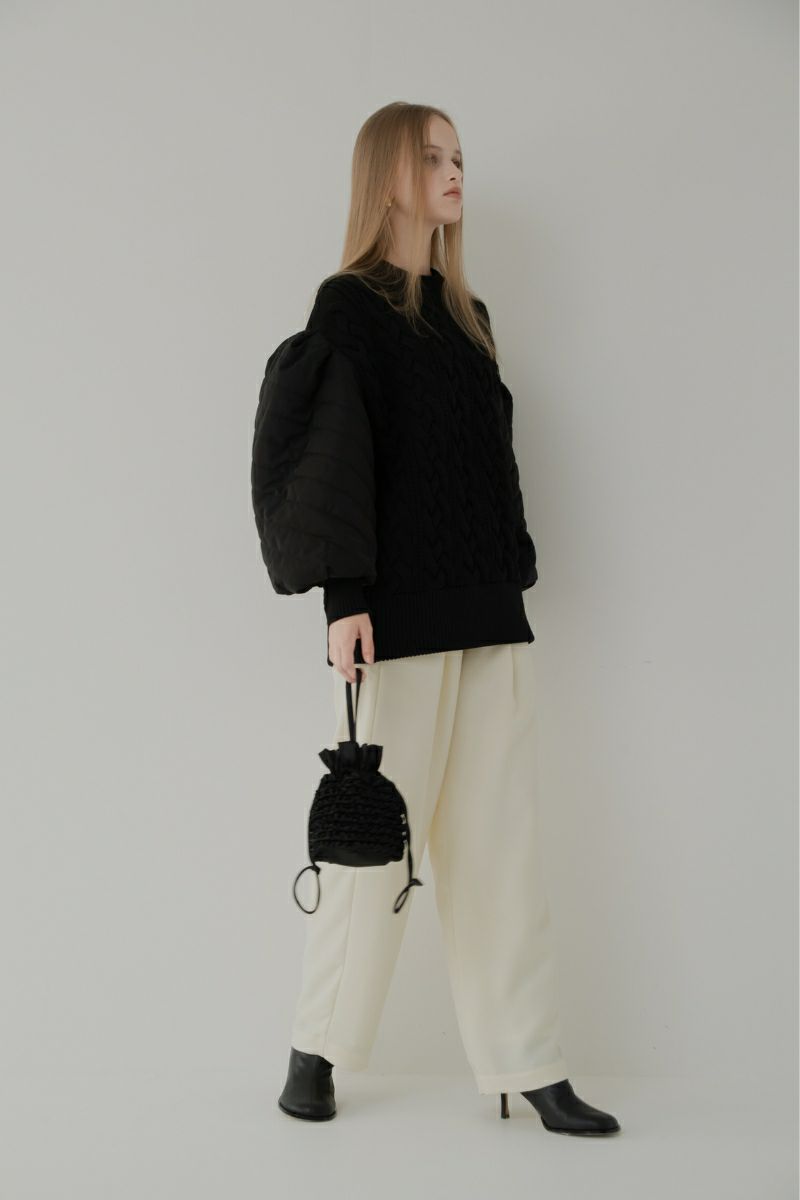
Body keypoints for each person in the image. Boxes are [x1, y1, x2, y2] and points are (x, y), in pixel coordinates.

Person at [252, 101, 621, 1134]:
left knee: (501, 851)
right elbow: (333, 454)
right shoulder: (347, 308)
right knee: (369, 844)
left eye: (459, 156)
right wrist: (343, 601)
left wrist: (507, 580)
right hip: (396, 620)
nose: (456, 171)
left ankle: (529, 1063)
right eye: (432, 156)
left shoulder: (469, 318)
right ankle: (316, 1049)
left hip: (490, 614)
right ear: (387, 176)